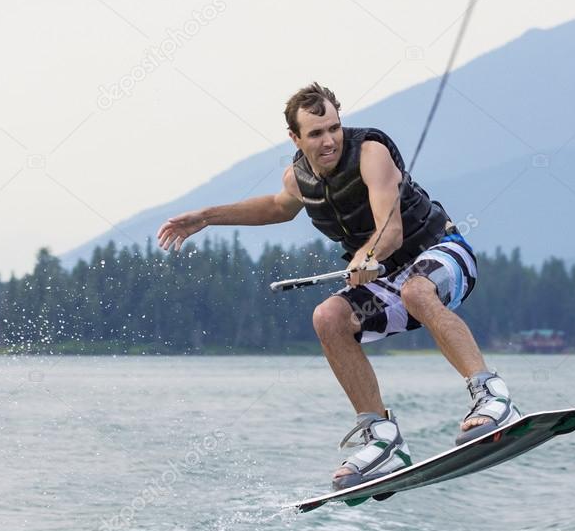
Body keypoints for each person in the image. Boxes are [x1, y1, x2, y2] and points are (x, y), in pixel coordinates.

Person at [157, 82, 519, 490]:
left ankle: (492, 395)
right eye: (315, 133)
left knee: (417, 290)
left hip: (442, 254)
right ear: (295, 138)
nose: (328, 140)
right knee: (329, 317)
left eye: (333, 128)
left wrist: (368, 255)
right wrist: (207, 216)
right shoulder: (299, 177)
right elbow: (278, 207)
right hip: (388, 282)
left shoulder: (370, 153)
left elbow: (392, 230)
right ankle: (381, 437)